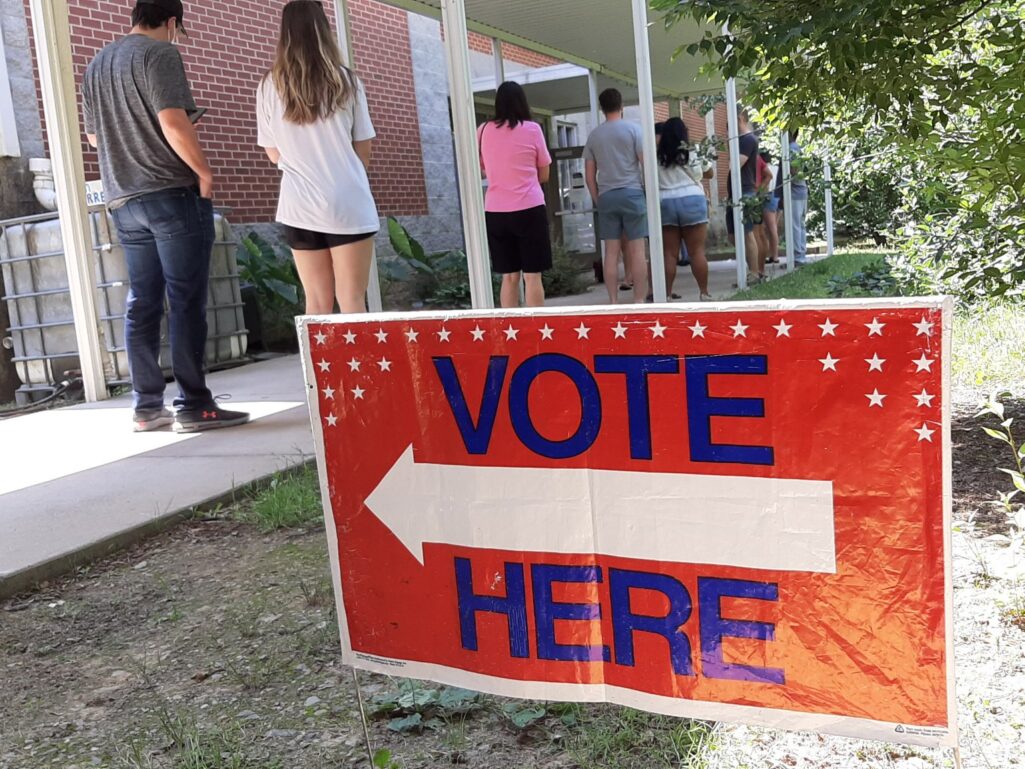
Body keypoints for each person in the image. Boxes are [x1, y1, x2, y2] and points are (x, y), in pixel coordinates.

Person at [83, 0, 248, 434]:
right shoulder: (161, 54)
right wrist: (204, 172)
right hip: (171, 194)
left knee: (143, 301)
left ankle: (146, 407)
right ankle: (194, 405)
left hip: (124, 200)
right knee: (186, 300)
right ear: (172, 21)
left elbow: (94, 135)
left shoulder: (97, 63)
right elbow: (173, 121)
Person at [257, 0, 379, 315]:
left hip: (299, 204)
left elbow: (273, 153)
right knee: (352, 300)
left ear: (284, 34)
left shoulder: (270, 86)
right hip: (347, 201)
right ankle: (359, 366)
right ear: (324, 30)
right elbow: (363, 147)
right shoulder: (347, 81)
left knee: (316, 304)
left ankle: (315, 368)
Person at [478, 82, 552, 308]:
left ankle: (509, 333)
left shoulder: (482, 130)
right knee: (532, 276)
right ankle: (536, 331)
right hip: (529, 207)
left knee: (509, 277)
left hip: (496, 210)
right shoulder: (532, 129)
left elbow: (483, 168)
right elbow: (545, 173)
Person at [584, 88, 648, 304]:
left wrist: (597, 198)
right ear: (622, 106)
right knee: (637, 250)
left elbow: (589, 175)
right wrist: (645, 192)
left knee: (611, 252)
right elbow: (644, 163)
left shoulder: (594, 136)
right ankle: (639, 299)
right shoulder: (634, 130)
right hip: (632, 193)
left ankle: (613, 300)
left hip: (607, 196)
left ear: (602, 109)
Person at [657, 117, 713, 301]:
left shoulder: (656, 154)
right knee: (696, 251)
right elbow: (710, 173)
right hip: (692, 200)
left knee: (669, 253)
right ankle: (704, 293)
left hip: (665, 201)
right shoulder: (694, 150)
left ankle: (666, 295)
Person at [725, 107, 763, 282]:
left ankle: (754, 273)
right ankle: (750, 270)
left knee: (747, 234)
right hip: (736, 193)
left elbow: (735, 165)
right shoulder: (741, 140)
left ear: (740, 118)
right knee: (733, 236)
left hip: (744, 192)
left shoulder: (747, 140)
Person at [758, 149, 780, 265]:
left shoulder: (764, 169)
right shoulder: (777, 168)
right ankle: (773, 254)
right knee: (773, 227)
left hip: (768, 196)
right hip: (778, 196)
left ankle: (774, 255)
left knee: (770, 228)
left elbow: (764, 185)